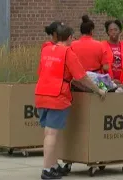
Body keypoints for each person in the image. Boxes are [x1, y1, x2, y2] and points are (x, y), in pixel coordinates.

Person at [35, 24, 106, 179]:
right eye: (73, 37)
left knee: (48, 132)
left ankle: (53, 165)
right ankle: (47, 170)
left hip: (41, 93)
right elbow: (82, 77)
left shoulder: (46, 50)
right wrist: (98, 90)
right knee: (53, 133)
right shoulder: (68, 52)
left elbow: (41, 71)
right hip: (57, 95)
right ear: (69, 38)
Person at [101, 19, 123, 84]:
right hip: (107, 83)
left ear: (120, 31)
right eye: (110, 30)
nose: (113, 32)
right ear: (107, 32)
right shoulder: (101, 45)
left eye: (116, 30)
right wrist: (110, 80)